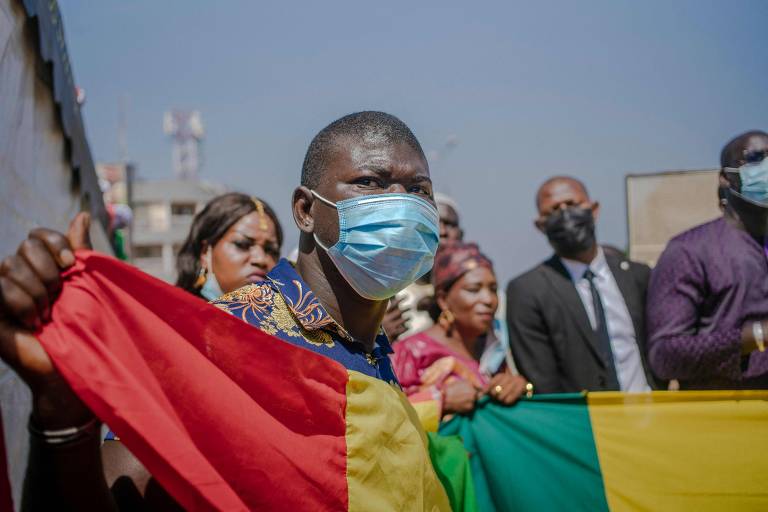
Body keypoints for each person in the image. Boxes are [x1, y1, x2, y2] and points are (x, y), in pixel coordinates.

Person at [0, 111, 449, 509]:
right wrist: (64, 419)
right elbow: (121, 489)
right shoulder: (229, 336)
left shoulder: (379, 353)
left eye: (418, 189)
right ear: (306, 210)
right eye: (371, 182)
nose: (402, 204)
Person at [506, 176, 657, 393]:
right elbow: (543, 380)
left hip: (649, 415)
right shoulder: (528, 291)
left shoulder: (638, 276)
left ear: (593, 209)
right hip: (583, 423)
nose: (565, 214)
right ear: (540, 225)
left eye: (572, 204)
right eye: (554, 210)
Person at [647, 130, 768, 389]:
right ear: (726, 178)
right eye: (757, 158)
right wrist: (756, 336)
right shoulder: (689, 250)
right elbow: (665, 356)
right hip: (727, 419)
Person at [393, 242, 529, 428]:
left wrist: (518, 387)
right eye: (474, 290)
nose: (488, 300)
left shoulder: (494, 351)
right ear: (443, 300)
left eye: (493, 289)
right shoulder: (410, 352)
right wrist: (442, 401)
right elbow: (390, 419)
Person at [382, 192, 464, 341]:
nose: (443, 232)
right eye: (435, 222)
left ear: (461, 235)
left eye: (450, 224)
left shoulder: (476, 293)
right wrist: (379, 337)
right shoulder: (389, 289)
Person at [175, 193, 283, 300]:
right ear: (205, 253)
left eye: (271, 250)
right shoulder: (171, 315)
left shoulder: (292, 315)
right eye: (242, 244)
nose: (260, 259)